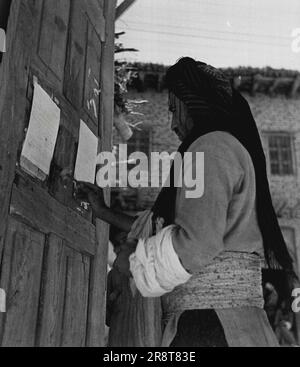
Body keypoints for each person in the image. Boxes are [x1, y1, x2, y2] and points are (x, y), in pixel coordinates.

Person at [77, 57, 296, 347]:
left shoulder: (210, 147)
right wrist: (103, 211)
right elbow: (168, 229)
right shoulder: (221, 148)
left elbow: (196, 245)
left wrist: (132, 274)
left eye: (173, 110)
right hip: (229, 327)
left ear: (191, 103)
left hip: (210, 327)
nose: (172, 124)